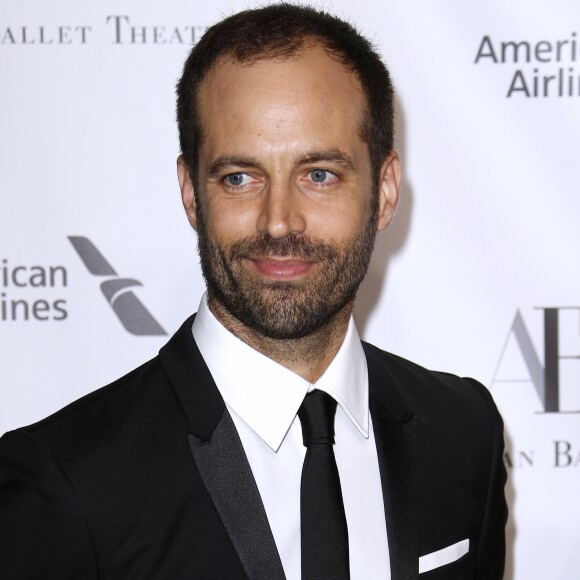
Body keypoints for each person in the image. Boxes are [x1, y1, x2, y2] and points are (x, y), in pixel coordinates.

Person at [0, 4, 507, 579]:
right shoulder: (64, 484)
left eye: (319, 174)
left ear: (385, 191)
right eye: (240, 177)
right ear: (192, 193)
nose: (279, 222)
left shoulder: (465, 433)